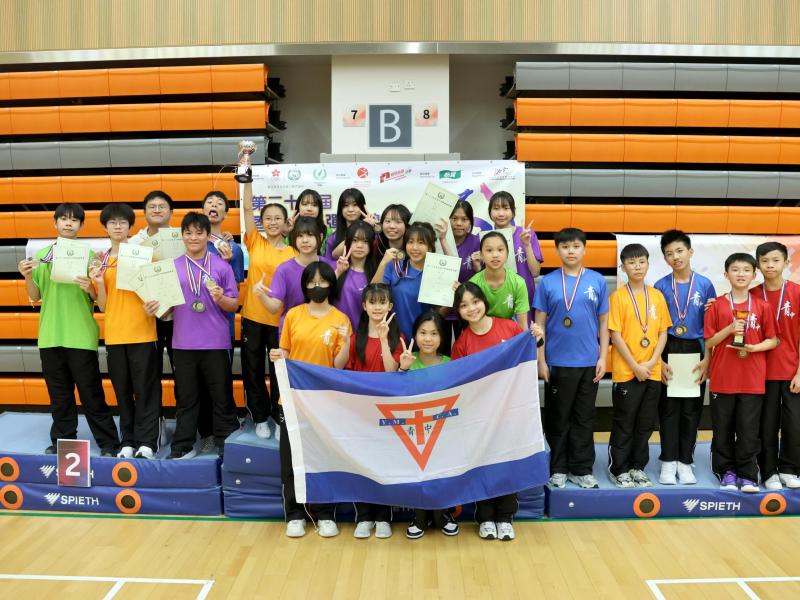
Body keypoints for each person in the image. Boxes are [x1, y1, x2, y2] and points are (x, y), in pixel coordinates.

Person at [18, 203, 119, 455]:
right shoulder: (41, 255)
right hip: (50, 335)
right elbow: (35, 296)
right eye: (63, 219)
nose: (68, 223)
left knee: (91, 393)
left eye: (74, 220)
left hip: (81, 335)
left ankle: (108, 443)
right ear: (55, 223)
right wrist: (27, 277)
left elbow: (99, 298)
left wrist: (90, 286)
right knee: (59, 395)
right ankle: (63, 441)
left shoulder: (89, 255)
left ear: (82, 226)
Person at [451, 282, 543, 541]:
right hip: (480, 417)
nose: (471, 308)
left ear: (484, 301)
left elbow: (529, 352)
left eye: (475, 301)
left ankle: (505, 517)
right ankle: (486, 517)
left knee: (507, 463)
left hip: (510, 412)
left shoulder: (510, 327)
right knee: (483, 464)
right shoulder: (462, 343)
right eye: (464, 305)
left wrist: (537, 336)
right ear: (458, 311)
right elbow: (460, 382)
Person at [269, 262, 351, 539]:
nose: (317, 286)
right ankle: (294, 515)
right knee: (291, 460)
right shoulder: (293, 315)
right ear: (305, 285)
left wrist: (347, 343)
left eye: (323, 281)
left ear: (331, 284)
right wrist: (277, 356)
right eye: (312, 282)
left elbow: (339, 366)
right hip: (292, 399)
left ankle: (326, 514)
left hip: (324, 401)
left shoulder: (340, 318)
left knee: (323, 458)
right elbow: (285, 353)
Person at [157, 212, 240, 459]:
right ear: (182, 235)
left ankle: (225, 441)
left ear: (207, 236)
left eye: (199, 232)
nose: (194, 237)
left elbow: (233, 305)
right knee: (187, 398)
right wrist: (156, 308)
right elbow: (166, 309)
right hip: (183, 343)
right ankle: (182, 445)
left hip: (216, 341)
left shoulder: (222, 265)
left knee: (221, 396)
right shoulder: (172, 267)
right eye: (188, 232)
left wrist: (220, 298)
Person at [533, 227, 609, 490]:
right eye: (565, 247)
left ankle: (582, 468)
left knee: (584, 417)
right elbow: (539, 324)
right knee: (559, 416)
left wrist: (603, 356)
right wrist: (541, 360)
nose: (571, 251)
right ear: (557, 250)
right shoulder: (548, 282)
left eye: (576, 246)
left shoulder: (597, 281)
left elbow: (603, 322)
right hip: (557, 362)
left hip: (589, 362)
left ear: (584, 249)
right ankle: (559, 467)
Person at [91, 203, 161, 459]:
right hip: (115, 335)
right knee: (122, 391)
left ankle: (147, 443)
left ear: (131, 227)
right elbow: (103, 305)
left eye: (123, 222)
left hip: (142, 333)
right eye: (112, 223)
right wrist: (98, 282)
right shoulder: (101, 260)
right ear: (105, 227)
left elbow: (158, 293)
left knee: (146, 390)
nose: (118, 226)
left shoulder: (144, 254)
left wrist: (156, 303)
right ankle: (128, 441)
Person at [705, 253, 778, 492]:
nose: (741, 274)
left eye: (746, 270)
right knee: (723, 430)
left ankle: (748, 474)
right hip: (723, 379)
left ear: (754, 275)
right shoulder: (717, 305)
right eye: (735, 270)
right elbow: (709, 342)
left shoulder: (762, 306)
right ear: (726, 275)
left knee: (748, 430)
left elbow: (774, 340)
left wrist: (755, 348)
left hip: (752, 379)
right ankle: (726, 472)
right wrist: (729, 328)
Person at [653, 230, 717, 485]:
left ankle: (686, 462)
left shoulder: (704, 284)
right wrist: (658, 360)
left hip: (695, 349)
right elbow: (656, 327)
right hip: (668, 348)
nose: (675, 257)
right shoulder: (659, 286)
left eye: (679, 251)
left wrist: (708, 359)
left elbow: (711, 327)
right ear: (665, 259)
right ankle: (668, 462)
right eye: (669, 253)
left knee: (691, 411)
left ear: (690, 252)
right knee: (668, 410)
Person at [607, 244, 670, 489]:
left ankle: (637, 466)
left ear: (647, 264)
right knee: (625, 422)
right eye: (631, 263)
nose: (637, 266)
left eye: (642, 262)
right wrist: (635, 366)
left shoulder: (656, 296)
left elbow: (663, 332)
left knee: (645, 423)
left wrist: (653, 362)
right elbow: (616, 336)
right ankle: (618, 468)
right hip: (626, 372)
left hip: (652, 371)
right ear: (623, 268)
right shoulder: (618, 297)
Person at [345, 283, 403, 539]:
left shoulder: (396, 338)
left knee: (385, 463)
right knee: (361, 464)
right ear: (364, 306)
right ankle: (364, 516)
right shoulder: (354, 340)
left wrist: (382, 339)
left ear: (389, 307)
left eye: (382, 302)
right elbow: (346, 374)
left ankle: (383, 517)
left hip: (388, 413)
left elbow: (392, 372)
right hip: (361, 413)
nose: (377, 307)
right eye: (373, 302)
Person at [240, 180, 296, 439]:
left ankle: (278, 414)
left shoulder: (294, 251)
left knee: (279, 371)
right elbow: (247, 210)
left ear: (287, 223)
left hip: (281, 321)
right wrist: (247, 181)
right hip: (252, 317)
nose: (273, 222)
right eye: (268, 218)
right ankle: (260, 417)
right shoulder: (255, 242)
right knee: (252, 369)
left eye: (278, 218)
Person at [398, 310, 459, 540]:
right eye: (422, 333)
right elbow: (393, 395)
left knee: (441, 472)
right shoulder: (408, 360)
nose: (427, 338)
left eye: (434, 333)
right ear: (415, 334)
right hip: (414, 431)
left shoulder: (450, 364)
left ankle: (442, 515)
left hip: (442, 431)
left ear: (442, 337)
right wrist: (402, 369)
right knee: (418, 473)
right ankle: (419, 518)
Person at [198, 190, 245, 448]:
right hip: (190, 326)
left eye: (219, 204)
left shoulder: (232, 247)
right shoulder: (190, 242)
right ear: (202, 209)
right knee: (197, 385)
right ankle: (203, 433)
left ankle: (223, 433)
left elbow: (235, 287)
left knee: (220, 382)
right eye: (209, 202)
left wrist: (227, 263)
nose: (213, 206)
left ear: (226, 214)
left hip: (219, 325)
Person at [754, 242, 800, 490]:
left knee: (794, 423)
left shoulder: (797, 292)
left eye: (775, 260)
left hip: (793, 371)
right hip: (760, 373)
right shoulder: (751, 295)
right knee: (766, 424)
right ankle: (769, 470)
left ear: (786, 263)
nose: (770, 265)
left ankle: (790, 468)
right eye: (764, 261)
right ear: (758, 265)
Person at [129, 190, 176, 378]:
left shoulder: (182, 239)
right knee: (148, 371)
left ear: (171, 212)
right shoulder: (133, 244)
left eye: (162, 206)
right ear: (144, 212)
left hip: (178, 314)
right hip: (145, 314)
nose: (157, 210)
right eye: (152, 207)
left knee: (182, 370)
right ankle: (151, 409)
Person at [254, 216, 334, 325]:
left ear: (320, 237)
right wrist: (261, 295)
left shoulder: (331, 267)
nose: (305, 240)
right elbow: (274, 308)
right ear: (294, 239)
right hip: (292, 331)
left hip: (324, 330)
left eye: (310, 235)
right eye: (300, 236)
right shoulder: (284, 269)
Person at [373, 222, 444, 342]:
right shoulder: (395, 265)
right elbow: (373, 293)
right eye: (410, 242)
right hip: (394, 336)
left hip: (423, 339)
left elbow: (440, 314)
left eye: (421, 243)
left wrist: (450, 295)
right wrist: (382, 263)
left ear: (430, 247)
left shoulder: (436, 272)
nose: (414, 247)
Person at [487, 191, 543, 320]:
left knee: (523, 337)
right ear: (490, 212)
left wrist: (527, 245)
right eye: (496, 208)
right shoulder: (486, 238)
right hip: (497, 300)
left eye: (506, 208)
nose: (501, 213)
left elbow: (535, 272)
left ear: (513, 211)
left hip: (523, 299)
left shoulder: (526, 234)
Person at [469, 231, 529, 328]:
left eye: (500, 250)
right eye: (489, 250)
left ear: (507, 254)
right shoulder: (473, 283)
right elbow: (473, 321)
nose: (495, 255)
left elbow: (522, 325)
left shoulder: (519, 283)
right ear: (481, 255)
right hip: (481, 330)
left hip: (508, 333)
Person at [444, 200, 481, 350]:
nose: (459, 223)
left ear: (471, 222)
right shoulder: (439, 241)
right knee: (442, 351)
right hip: (442, 308)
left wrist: (478, 266)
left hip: (467, 309)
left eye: (464, 219)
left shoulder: (477, 242)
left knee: (467, 350)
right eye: (454, 219)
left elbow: (483, 277)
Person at [334, 221, 379, 330]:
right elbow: (322, 296)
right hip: (337, 335)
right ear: (348, 243)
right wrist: (338, 272)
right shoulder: (336, 267)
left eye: (365, 241)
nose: (359, 246)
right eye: (354, 240)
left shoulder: (377, 272)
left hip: (363, 337)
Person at [324, 188, 379, 259]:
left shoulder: (373, 232)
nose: (350, 209)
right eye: (346, 205)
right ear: (341, 210)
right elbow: (332, 258)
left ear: (362, 207)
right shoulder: (333, 238)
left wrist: (374, 226)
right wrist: (359, 227)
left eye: (355, 205)